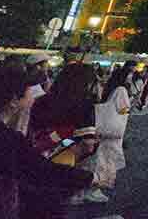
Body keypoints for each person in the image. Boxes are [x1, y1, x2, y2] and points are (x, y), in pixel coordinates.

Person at [0, 64, 95, 219]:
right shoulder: (5, 138)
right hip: (53, 167)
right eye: (28, 89)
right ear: (13, 100)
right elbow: (43, 170)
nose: (33, 92)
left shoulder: (42, 102)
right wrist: (89, 176)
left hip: (30, 166)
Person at [28, 63, 100, 206]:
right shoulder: (84, 105)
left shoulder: (42, 100)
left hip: (32, 160)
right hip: (62, 165)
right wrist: (67, 142)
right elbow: (88, 145)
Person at [91, 66, 132, 201]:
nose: (131, 77)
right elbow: (123, 109)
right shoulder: (121, 90)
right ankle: (96, 188)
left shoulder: (111, 88)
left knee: (101, 156)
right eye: (130, 75)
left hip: (105, 128)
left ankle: (96, 185)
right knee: (108, 159)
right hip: (113, 130)